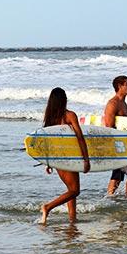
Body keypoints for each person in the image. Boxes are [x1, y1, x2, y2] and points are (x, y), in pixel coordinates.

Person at [40, 87, 90, 224]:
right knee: (75, 191)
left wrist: (48, 162)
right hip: (70, 157)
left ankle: (72, 219)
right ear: (64, 100)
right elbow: (80, 137)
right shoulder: (69, 115)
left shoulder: (50, 118)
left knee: (71, 190)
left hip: (57, 157)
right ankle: (48, 207)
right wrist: (86, 159)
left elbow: (48, 141)